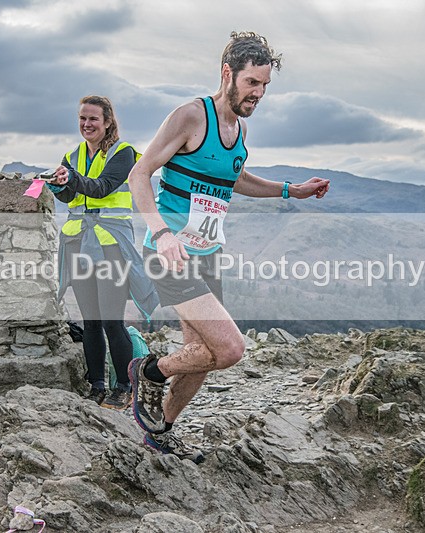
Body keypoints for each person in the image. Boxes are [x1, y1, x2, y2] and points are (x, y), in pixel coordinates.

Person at [128, 31, 330, 463]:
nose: (259, 94)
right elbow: (139, 174)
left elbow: (235, 178)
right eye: (252, 83)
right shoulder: (190, 117)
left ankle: (161, 432)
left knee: (201, 358)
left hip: (206, 254)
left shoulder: (238, 129)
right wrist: (161, 234)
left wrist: (291, 190)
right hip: (170, 254)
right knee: (230, 349)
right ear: (227, 74)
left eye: (265, 85)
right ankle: (148, 371)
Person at [44, 95, 158, 410]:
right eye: (82, 118)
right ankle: (96, 384)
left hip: (111, 245)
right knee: (91, 320)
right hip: (79, 241)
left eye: (93, 118)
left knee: (111, 320)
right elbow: (70, 196)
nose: (86, 124)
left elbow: (103, 187)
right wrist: (59, 186)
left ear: (107, 121)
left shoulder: (124, 153)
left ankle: (123, 386)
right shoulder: (72, 155)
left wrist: (72, 178)